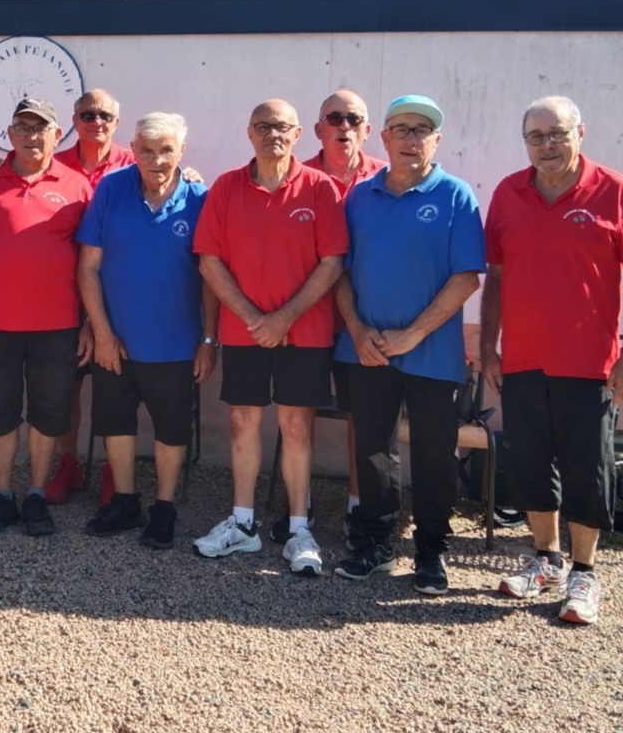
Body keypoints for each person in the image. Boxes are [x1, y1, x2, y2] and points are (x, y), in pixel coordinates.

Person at [484, 95, 623, 624]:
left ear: (580, 132)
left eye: (556, 134)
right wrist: (488, 344)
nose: (547, 146)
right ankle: (545, 560)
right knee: (531, 462)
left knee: (588, 468)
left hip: (591, 363)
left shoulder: (615, 190)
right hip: (523, 359)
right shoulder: (509, 193)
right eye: (535, 137)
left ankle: (584, 574)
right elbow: (497, 275)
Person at [332, 95, 485, 593]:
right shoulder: (359, 198)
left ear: (436, 140)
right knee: (373, 451)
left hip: (433, 354)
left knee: (435, 454)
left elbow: (466, 278)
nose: (411, 138)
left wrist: (411, 335)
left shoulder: (457, 196)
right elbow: (340, 274)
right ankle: (376, 543)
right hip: (368, 351)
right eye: (401, 128)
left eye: (422, 130)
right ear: (385, 138)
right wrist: (357, 331)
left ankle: (431, 552)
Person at [192, 99, 346, 576]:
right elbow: (209, 261)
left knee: (297, 427)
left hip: (305, 333)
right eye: (262, 126)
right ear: (249, 132)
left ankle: (299, 528)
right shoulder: (225, 187)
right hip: (245, 333)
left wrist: (284, 318)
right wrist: (254, 318)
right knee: (242, 422)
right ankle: (242, 524)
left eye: (281, 126)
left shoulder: (322, 189)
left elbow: (332, 262)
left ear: (298, 133)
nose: (271, 134)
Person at [0, 97, 93, 537]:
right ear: (10, 134)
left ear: (57, 134)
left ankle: (34, 493)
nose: (32, 136)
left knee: (50, 412)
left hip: (59, 325)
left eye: (41, 128)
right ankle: (1, 495)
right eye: (23, 127)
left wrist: (91, 322)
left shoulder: (77, 186)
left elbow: (92, 259)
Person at [76, 112, 217, 549]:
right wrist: (101, 331)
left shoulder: (200, 198)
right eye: (148, 150)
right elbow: (88, 267)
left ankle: (164, 506)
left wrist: (208, 340)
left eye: (166, 150)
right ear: (133, 150)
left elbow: (211, 278)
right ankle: (124, 500)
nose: (157, 160)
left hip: (175, 343)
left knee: (171, 428)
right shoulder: (111, 189)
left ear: (181, 151)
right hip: (115, 339)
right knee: (115, 423)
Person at [44, 89, 138, 504]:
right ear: (74, 119)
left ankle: (110, 468)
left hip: (117, 298)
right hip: (63, 296)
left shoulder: (136, 165)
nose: (95, 121)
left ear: (116, 122)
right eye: (87, 114)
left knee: (113, 389)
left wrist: (187, 175)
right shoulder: (53, 163)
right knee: (65, 388)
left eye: (104, 115)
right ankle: (69, 462)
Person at [303, 90, 387, 535]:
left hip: (362, 323)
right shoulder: (296, 177)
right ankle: (302, 506)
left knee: (364, 417)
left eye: (354, 119)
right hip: (310, 319)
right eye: (334, 117)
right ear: (318, 129)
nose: (344, 126)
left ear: (367, 130)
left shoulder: (385, 179)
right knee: (300, 415)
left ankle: (359, 505)